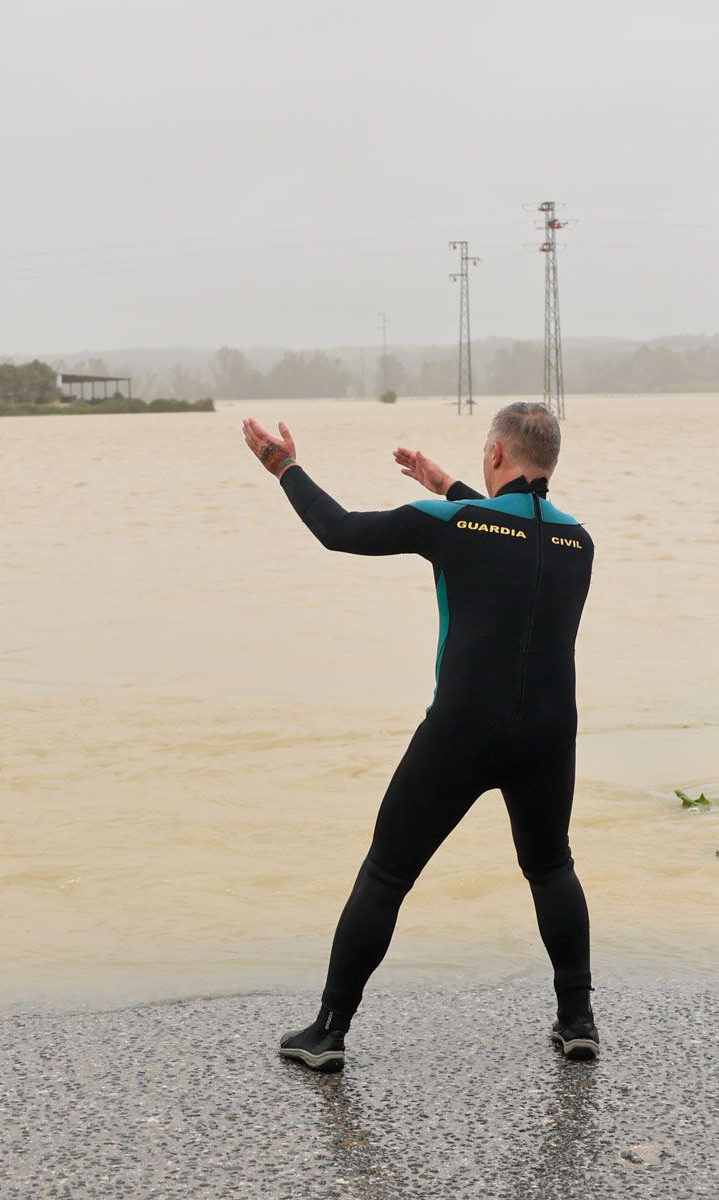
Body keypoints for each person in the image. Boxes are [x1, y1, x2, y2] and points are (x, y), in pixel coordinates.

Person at [240, 402, 597, 1072]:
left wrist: (281, 463)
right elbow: (513, 536)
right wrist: (445, 484)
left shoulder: (458, 525)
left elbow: (339, 529)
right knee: (550, 868)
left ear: (495, 455)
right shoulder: (580, 541)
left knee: (387, 871)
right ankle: (578, 1021)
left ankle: (328, 1031)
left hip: (464, 728)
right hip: (550, 734)